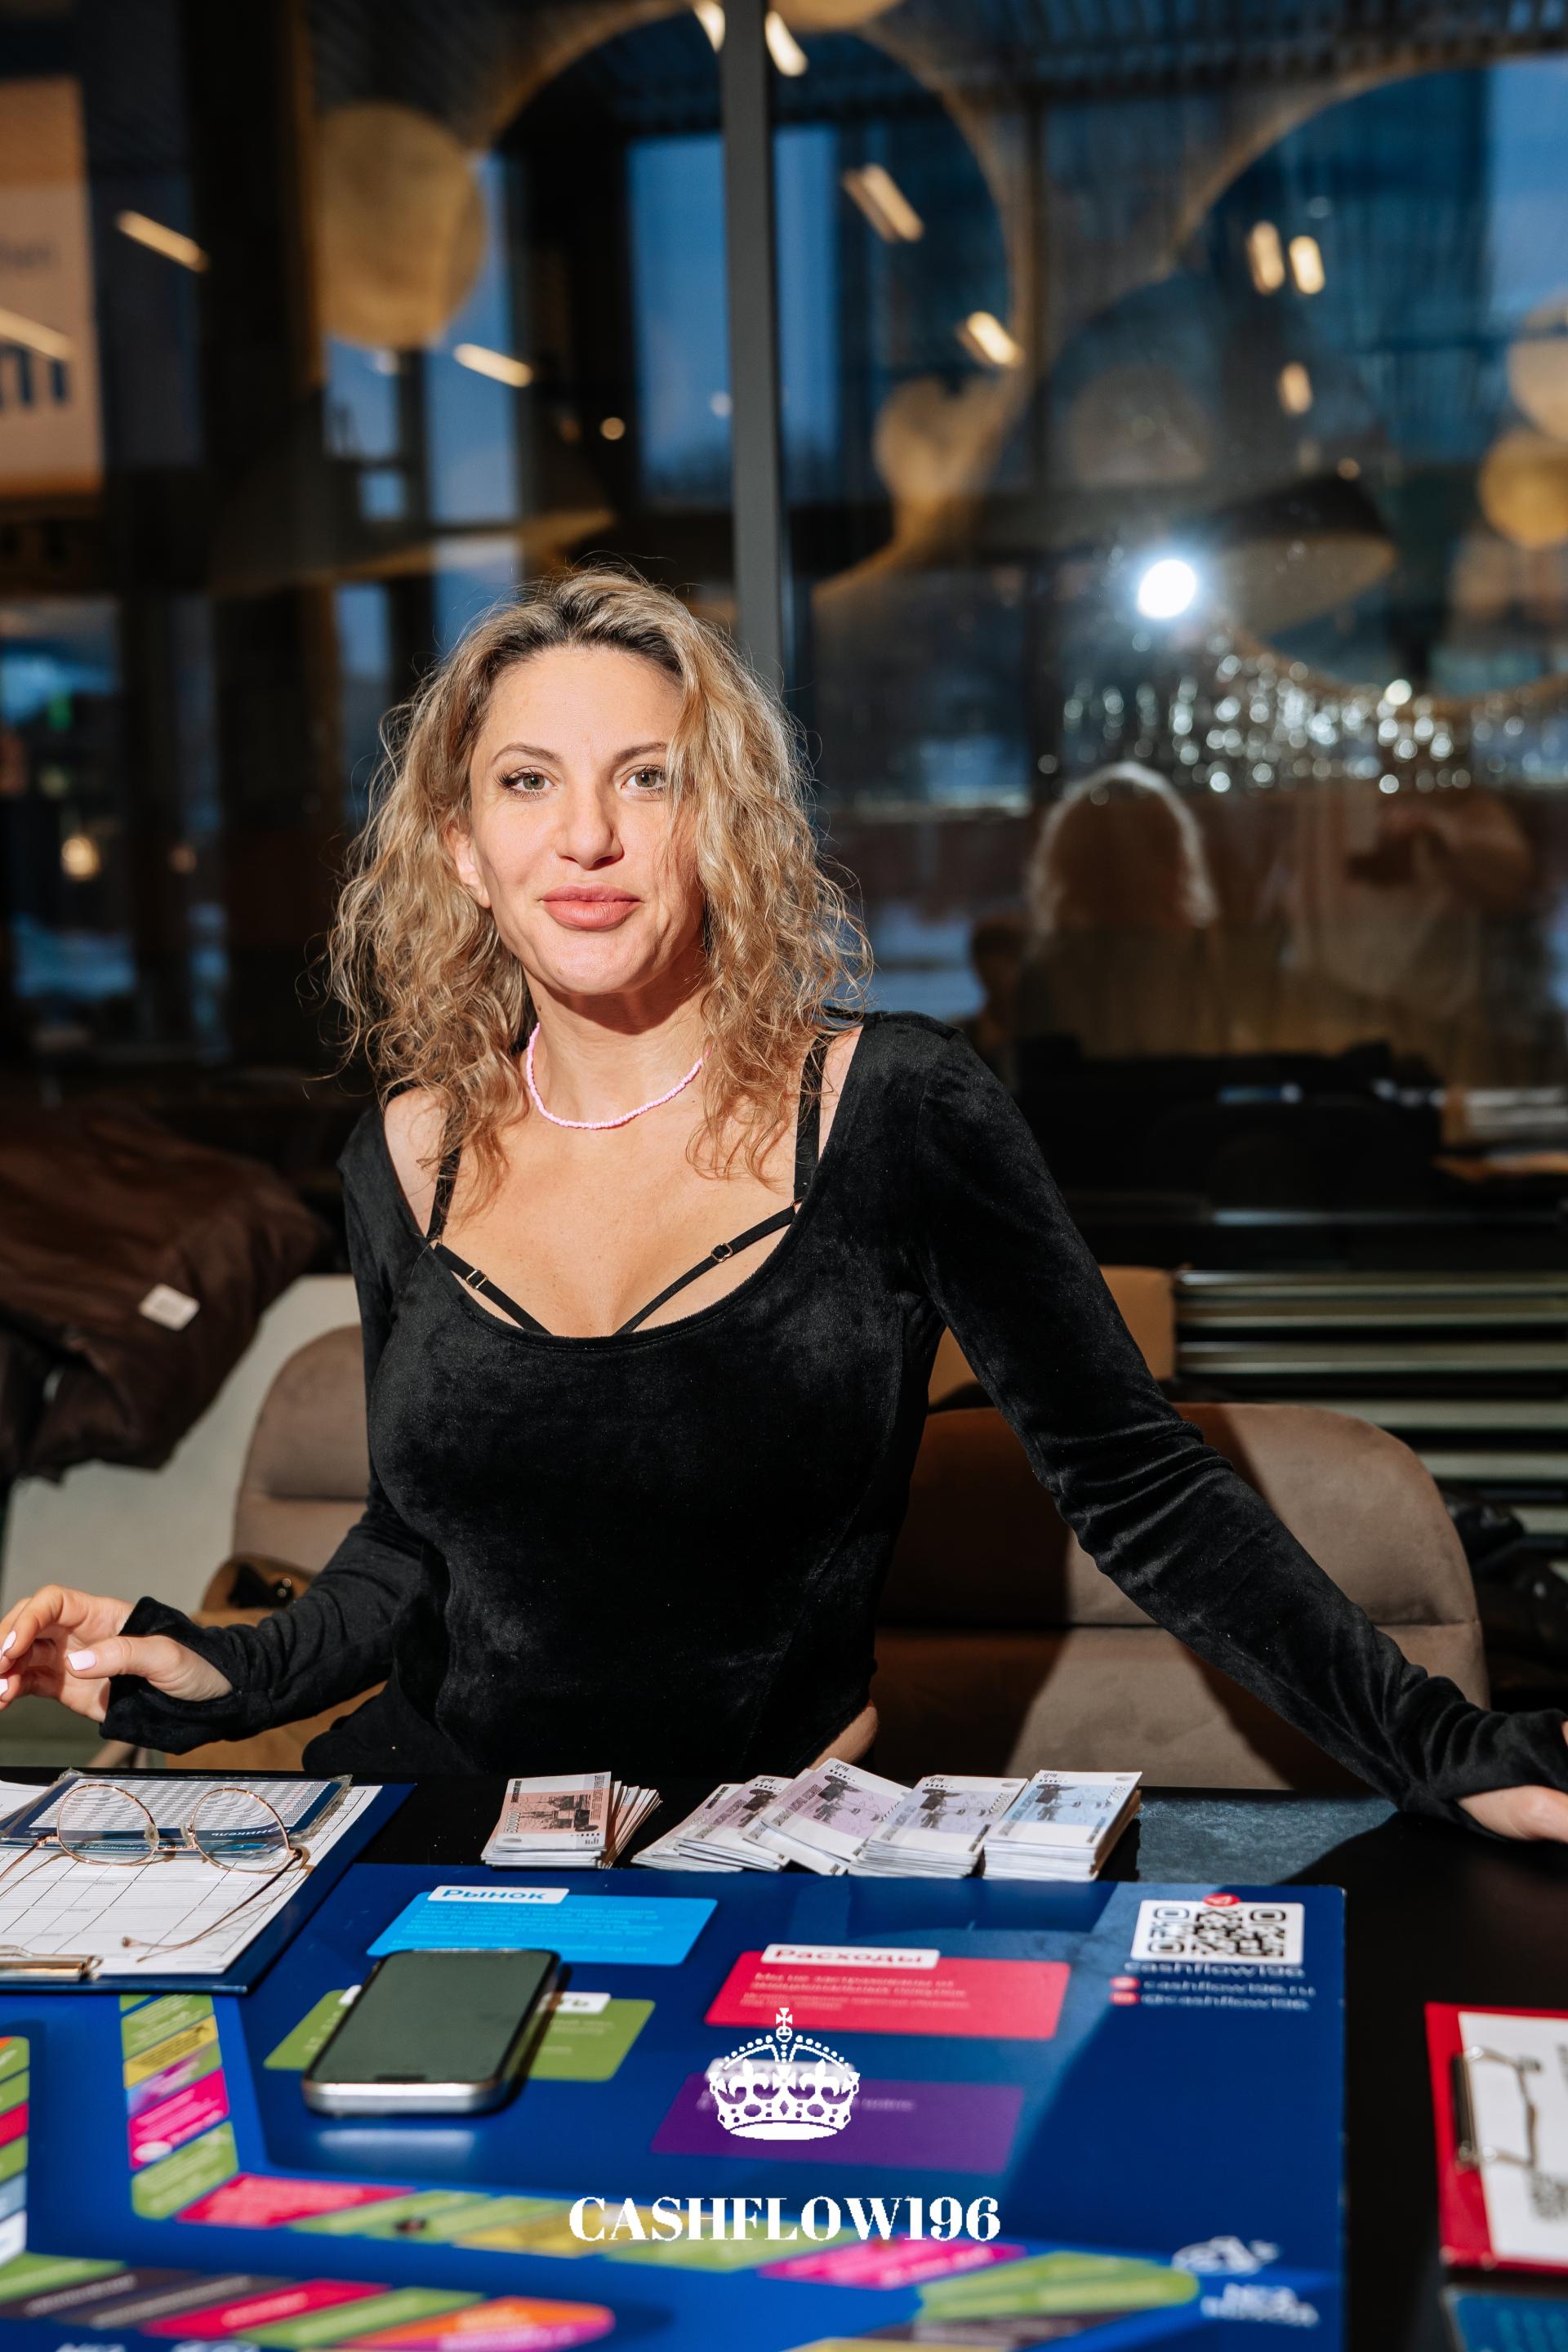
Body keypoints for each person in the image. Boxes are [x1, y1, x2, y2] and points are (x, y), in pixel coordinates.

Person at [2, 568, 1566, 1843]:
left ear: (723, 823)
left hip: (750, 1848)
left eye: (649, 778)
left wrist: (1445, 1749)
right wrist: (209, 1670)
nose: (588, 837)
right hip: (433, 1831)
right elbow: (412, 1545)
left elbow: (1141, 1489)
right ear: (463, 849)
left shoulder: (895, 1109)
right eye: (528, 783)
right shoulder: (406, 1154)